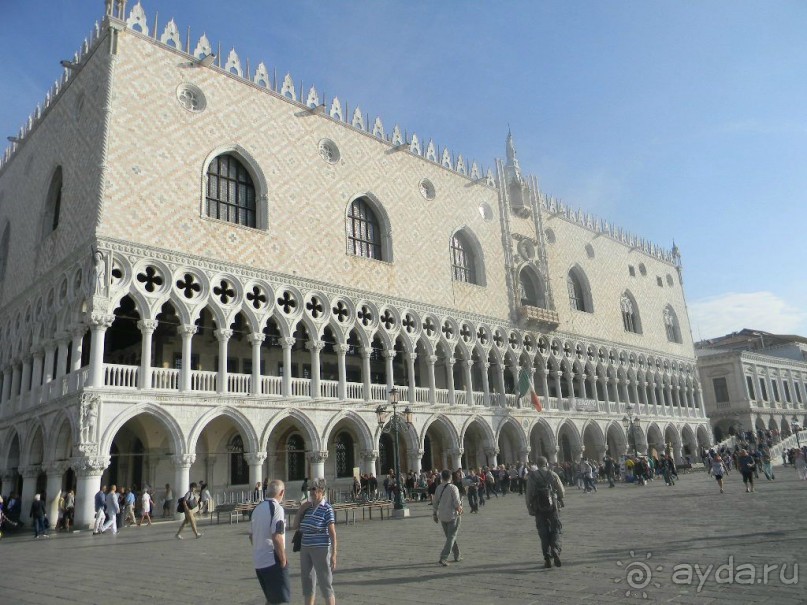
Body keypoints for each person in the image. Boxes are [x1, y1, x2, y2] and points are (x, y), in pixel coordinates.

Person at [295, 478, 337, 605]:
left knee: (325, 582)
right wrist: (300, 510)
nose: (311, 492)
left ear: (321, 490)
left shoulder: (327, 508)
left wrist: (334, 553)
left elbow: (332, 532)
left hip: (320, 549)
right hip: (305, 547)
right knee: (307, 581)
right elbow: (295, 526)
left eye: (314, 489)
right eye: (310, 489)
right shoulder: (308, 507)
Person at [250, 480, 290, 605]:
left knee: (271, 599)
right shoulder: (277, 508)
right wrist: (283, 560)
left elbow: (251, 536)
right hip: (272, 560)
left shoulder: (257, 509)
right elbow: (277, 536)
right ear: (282, 492)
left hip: (259, 561)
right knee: (281, 600)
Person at [526, 456, 565, 569]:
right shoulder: (552, 474)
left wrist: (529, 507)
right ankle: (555, 549)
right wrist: (558, 498)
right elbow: (562, 491)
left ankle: (547, 557)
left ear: (537, 464)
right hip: (553, 507)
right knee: (556, 529)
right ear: (546, 463)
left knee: (543, 532)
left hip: (539, 507)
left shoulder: (532, 476)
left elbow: (528, 494)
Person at [433, 469, 462, 567]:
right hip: (452, 515)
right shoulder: (453, 487)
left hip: (442, 515)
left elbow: (435, 502)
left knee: (450, 536)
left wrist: (434, 514)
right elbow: (457, 502)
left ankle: (457, 555)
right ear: (450, 477)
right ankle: (443, 557)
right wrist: (460, 509)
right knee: (451, 537)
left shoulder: (438, 488)